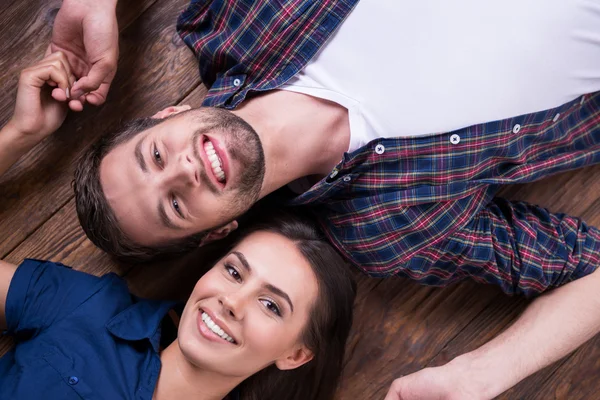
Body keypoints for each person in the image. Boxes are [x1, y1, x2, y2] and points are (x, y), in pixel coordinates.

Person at [48, 0, 600, 398]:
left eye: (155, 157)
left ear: (167, 116)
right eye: (173, 206)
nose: (185, 171)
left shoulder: (234, 20)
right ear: (218, 230)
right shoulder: (393, 230)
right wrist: (481, 375)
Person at [0, 52, 356, 400]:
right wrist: (19, 134)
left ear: (294, 355)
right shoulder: (89, 310)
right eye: (233, 272)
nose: (232, 302)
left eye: (271, 305)